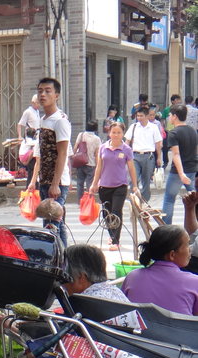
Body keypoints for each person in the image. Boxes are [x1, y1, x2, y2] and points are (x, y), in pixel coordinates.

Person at [27, 77, 71, 246]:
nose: (43, 95)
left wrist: (55, 184)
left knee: (53, 225)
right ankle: (63, 263)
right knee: (52, 225)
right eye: (40, 91)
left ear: (57, 95)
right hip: (45, 181)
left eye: (47, 91)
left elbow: (62, 154)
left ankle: (61, 263)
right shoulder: (44, 119)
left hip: (55, 182)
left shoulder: (60, 120)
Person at [122, 225, 198, 315]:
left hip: (138, 329)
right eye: (187, 245)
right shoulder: (194, 282)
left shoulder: (132, 276)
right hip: (179, 329)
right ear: (172, 255)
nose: (190, 249)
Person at [89, 122, 139, 250]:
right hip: (104, 186)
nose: (116, 135)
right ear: (109, 133)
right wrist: (94, 184)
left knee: (116, 211)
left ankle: (116, 241)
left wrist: (135, 185)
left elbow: (132, 168)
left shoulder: (126, 149)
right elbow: (99, 167)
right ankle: (111, 234)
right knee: (107, 213)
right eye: (113, 132)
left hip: (120, 186)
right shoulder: (103, 148)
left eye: (119, 132)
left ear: (123, 134)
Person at [161, 104, 198, 226]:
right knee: (195, 198)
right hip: (192, 169)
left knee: (169, 200)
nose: (169, 117)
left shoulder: (174, 133)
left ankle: (166, 228)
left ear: (175, 117)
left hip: (178, 172)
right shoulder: (192, 130)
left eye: (170, 115)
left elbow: (176, 154)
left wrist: (181, 173)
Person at [62, 244, 129, 301]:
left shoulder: (84, 303)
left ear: (80, 277)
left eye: (64, 278)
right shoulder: (115, 291)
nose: (62, 284)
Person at [124, 107, 163, 202]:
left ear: (147, 116)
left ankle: (144, 201)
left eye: (141, 116)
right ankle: (134, 199)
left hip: (148, 156)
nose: (139, 118)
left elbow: (158, 143)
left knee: (146, 181)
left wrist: (159, 157)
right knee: (134, 179)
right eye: (138, 116)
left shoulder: (153, 127)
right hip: (135, 156)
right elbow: (127, 142)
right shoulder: (133, 127)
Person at [73, 120, 101, 200]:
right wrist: (98, 166)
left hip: (80, 163)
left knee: (79, 183)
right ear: (95, 128)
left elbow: (75, 148)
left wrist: (74, 157)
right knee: (89, 184)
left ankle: (80, 202)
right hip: (91, 164)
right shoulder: (97, 139)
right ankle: (89, 201)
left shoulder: (81, 135)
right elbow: (96, 154)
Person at [161, 94, 182, 168]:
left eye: (179, 100)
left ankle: (176, 162)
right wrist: (162, 127)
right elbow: (162, 118)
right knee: (165, 148)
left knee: (176, 148)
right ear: (172, 101)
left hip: (177, 131)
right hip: (168, 131)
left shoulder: (180, 109)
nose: (178, 101)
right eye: (177, 100)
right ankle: (165, 161)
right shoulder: (167, 110)